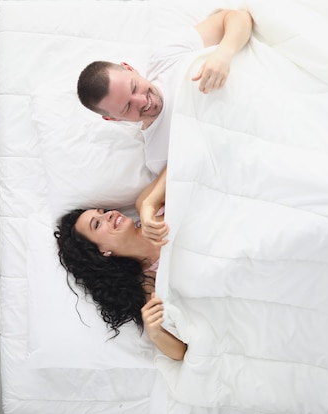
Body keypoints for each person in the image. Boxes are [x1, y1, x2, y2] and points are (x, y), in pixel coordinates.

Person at [77, 9, 254, 176]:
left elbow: (239, 17)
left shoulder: (166, 57)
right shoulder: (157, 157)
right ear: (113, 119)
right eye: (127, 107)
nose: (142, 101)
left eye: (134, 87)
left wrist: (224, 53)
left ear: (130, 68)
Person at [54, 168, 182, 360]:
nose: (109, 215)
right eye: (97, 224)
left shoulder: (147, 206)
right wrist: (155, 333)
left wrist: (149, 203)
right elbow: (180, 352)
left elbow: (180, 161)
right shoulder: (150, 284)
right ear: (103, 252)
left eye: (103, 212)